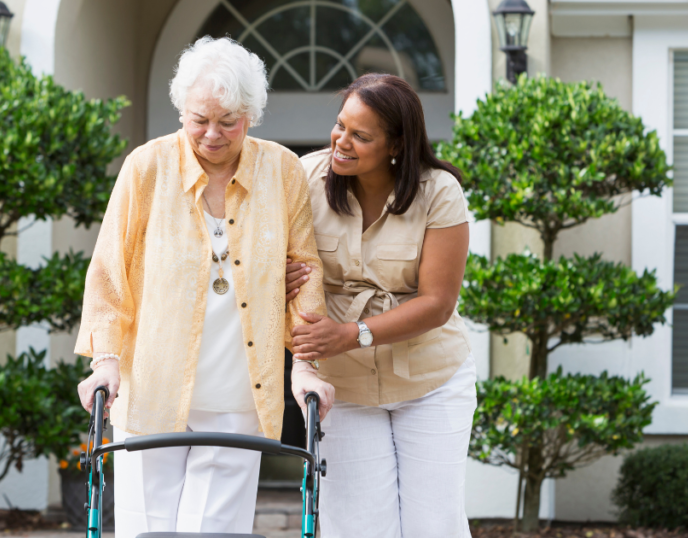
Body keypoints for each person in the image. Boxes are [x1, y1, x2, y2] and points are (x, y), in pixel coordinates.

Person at [73, 36, 335, 537]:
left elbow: (306, 271)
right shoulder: (146, 167)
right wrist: (105, 359)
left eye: (227, 121)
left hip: (239, 396)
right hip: (150, 388)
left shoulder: (281, 170)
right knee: (147, 531)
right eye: (199, 120)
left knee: (214, 533)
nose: (212, 134)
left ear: (251, 115)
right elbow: (109, 271)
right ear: (181, 111)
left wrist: (305, 365)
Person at [286, 73, 477, 538]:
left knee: (434, 525)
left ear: (396, 144)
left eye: (360, 135)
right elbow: (262, 251)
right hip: (344, 387)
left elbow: (437, 302)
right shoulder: (305, 179)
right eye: (340, 126)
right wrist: (277, 275)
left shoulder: (439, 192)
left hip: (431, 382)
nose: (341, 142)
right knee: (356, 526)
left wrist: (352, 334)